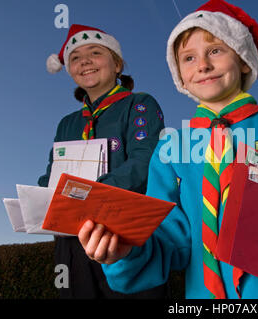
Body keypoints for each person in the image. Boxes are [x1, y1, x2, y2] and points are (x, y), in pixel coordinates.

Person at [78, 0, 258, 299]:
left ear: (243, 59)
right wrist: (128, 249)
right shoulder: (171, 147)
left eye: (215, 50)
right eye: (188, 58)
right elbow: (169, 237)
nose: (202, 65)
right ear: (179, 74)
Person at [38, 24, 167, 299]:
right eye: (75, 57)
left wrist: (89, 193)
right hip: (71, 238)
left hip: (124, 233)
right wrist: (40, 194)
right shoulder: (67, 123)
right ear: (70, 70)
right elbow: (52, 174)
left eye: (95, 52)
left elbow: (146, 161)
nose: (84, 61)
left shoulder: (140, 104)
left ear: (117, 64)